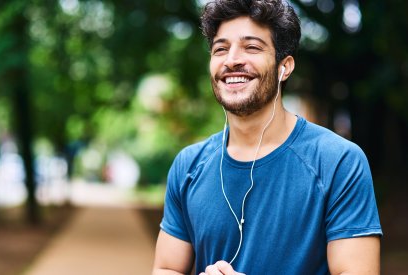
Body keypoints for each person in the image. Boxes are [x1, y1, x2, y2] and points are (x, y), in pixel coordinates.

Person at [153, 0, 383, 274]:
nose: (232, 60)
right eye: (220, 49)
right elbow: (168, 268)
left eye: (251, 47)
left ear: (284, 67)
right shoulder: (188, 166)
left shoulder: (338, 162)